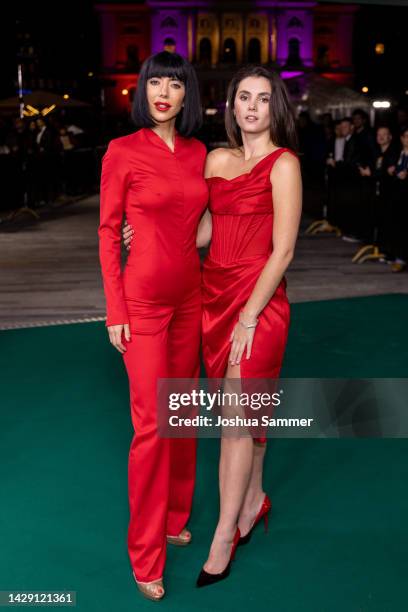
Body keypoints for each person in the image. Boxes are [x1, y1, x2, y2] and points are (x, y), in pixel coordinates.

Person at [123, 65, 302, 588]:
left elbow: (285, 249)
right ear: (231, 105)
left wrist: (250, 314)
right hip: (213, 295)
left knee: (236, 418)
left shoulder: (283, 164)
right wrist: (150, 232)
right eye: (243, 97)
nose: (251, 107)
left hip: (259, 301)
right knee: (247, 412)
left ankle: (224, 534)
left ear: (276, 108)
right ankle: (253, 499)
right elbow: (200, 228)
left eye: (262, 99)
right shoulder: (217, 159)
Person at [98, 51, 208, 601]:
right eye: (154, 82)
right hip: (141, 304)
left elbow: (204, 223)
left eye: (174, 83)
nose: (163, 91)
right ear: (142, 91)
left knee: (183, 413)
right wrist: (115, 308)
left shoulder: (198, 153)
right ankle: (146, 555)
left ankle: (175, 514)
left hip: (191, 297)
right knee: (150, 425)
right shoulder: (122, 151)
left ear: (188, 95)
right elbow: (106, 230)